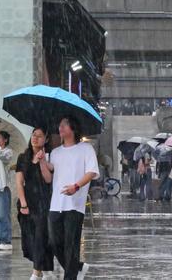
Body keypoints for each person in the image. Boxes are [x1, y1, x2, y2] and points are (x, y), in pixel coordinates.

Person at [46, 116, 99, 280]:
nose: (60, 128)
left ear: (73, 128)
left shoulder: (86, 149)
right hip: (56, 204)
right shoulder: (55, 152)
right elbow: (49, 176)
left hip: (75, 205)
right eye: (59, 124)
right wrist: (41, 160)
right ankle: (78, 267)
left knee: (71, 245)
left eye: (64, 125)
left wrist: (76, 186)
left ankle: (70, 276)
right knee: (54, 242)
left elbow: (91, 172)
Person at [16, 127, 54, 280]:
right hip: (27, 202)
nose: (35, 138)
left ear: (46, 139)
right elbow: (19, 182)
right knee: (30, 239)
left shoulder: (49, 157)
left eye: (39, 136)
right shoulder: (23, 157)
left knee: (40, 236)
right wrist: (24, 204)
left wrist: (42, 161)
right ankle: (45, 268)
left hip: (43, 204)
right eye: (33, 135)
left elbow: (48, 179)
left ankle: (36, 273)